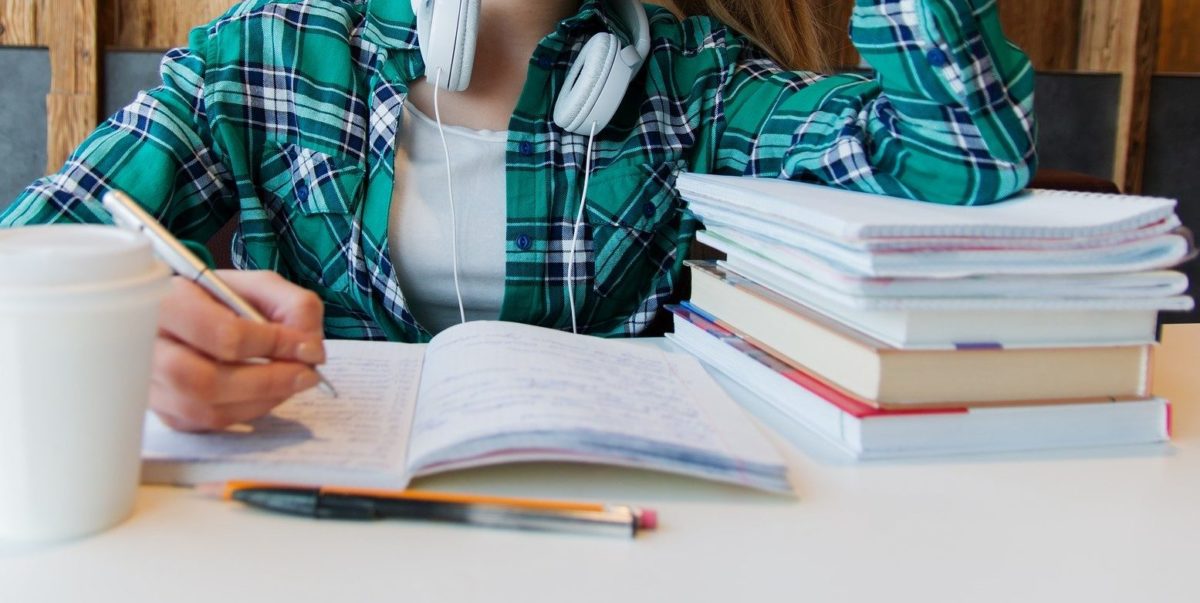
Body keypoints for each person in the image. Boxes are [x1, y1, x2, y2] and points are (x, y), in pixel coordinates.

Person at [0, 0, 1036, 431]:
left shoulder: (702, 87)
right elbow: (27, 258)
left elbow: (960, 157)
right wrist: (113, 337)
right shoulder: (266, 51)